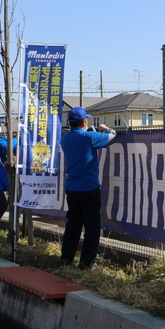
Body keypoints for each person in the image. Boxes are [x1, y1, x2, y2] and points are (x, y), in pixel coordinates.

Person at [59, 107, 116, 270]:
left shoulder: (65, 139)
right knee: (91, 226)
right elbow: (112, 137)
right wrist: (106, 129)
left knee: (73, 224)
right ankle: (86, 262)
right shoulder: (90, 136)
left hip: (71, 187)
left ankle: (66, 258)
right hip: (89, 187)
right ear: (84, 122)